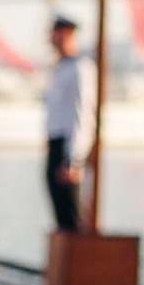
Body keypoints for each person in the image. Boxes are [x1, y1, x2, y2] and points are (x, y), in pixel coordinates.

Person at [42, 16, 90, 234]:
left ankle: (79, 264)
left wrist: (73, 158)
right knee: (60, 214)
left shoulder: (79, 68)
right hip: (54, 143)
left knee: (71, 214)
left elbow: (82, 114)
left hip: (67, 147)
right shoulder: (58, 69)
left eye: (59, 33)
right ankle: (66, 264)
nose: (54, 38)